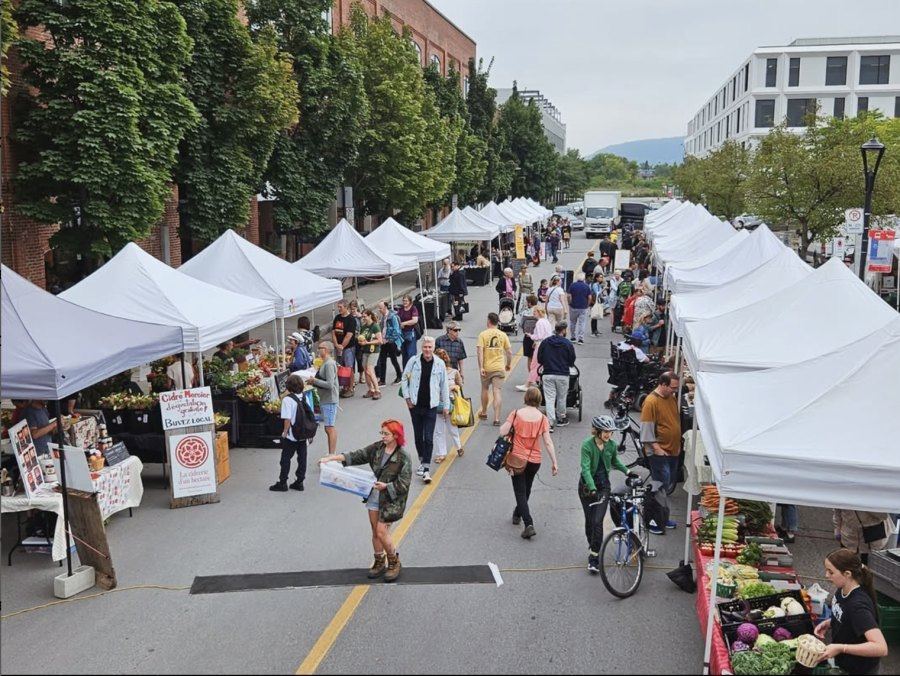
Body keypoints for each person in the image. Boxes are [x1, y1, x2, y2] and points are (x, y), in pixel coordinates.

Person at [318, 420, 412, 583]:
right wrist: (332, 458)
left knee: (382, 531)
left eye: (386, 434)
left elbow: (404, 483)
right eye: (381, 433)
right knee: (375, 531)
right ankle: (379, 561)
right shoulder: (377, 448)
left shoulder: (403, 457)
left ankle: (394, 561)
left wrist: (386, 486)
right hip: (375, 495)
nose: (382, 436)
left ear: (396, 435)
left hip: (391, 499)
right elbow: (357, 455)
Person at [814, 548, 889, 674]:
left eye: (831, 572)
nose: (826, 575)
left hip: (859, 669)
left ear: (847, 574)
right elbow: (846, 616)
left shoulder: (858, 606)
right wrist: (830, 622)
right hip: (844, 663)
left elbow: (881, 647)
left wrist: (841, 648)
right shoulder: (842, 588)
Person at [498, 387, 558, 539]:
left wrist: (510, 425)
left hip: (517, 459)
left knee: (520, 492)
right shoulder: (543, 418)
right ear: (539, 400)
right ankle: (517, 513)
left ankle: (528, 523)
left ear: (525, 398)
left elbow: (503, 432)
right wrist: (554, 462)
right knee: (527, 490)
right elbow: (548, 442)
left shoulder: (516, 413)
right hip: (534, 460)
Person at [580, 416, 636, 573]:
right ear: (597, 431)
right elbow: (585, 469)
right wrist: (591, 488)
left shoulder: (611, 445)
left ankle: (594, 558)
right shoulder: (586, 445)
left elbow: (615, 462)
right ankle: (593, 544)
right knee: (590, 521)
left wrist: (628, 472)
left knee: (598, 521)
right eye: (605, 432)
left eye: (610, 432)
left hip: (604, 487)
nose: (608, 435)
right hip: (586, 487)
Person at [400, 336, 450, 484]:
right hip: (415, 405)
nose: (427, 350)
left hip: (431, 406)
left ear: (433, 348)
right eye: (425, 347)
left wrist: (446, 405)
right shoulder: (413, 361)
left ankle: (426, 468)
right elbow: (404, 379)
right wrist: (407, 398)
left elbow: (444, 386)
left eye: (430, 347)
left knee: (428, 437)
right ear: (422, 348)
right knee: (418, 436)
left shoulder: (439, 364)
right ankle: (422, 460)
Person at [640, 371, 682, 534]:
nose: (675, 391)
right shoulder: (651, 402)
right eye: (672, 387)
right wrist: (657, 448)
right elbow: (647, 430)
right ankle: (653, 521)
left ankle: (663, 518)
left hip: (672, 451)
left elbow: (674, 421)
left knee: (666, 486)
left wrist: (677, 444)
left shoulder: (671, 398)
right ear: (663, 384)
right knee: (659, 488)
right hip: (659, 453)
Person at [269, 375, 311, 492]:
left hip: (292, 435)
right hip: (303, 434)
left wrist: (284, 433)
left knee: (285, 459)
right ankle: (300, 481)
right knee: (302, 458)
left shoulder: (287, 400)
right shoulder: (304, 397)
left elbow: (287, 420)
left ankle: (283, 482)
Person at [537, 321, 576, 431]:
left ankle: (550, 423)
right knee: (561, 397)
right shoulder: (568, 343)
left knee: (549, 398)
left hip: (548, 373)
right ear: (563, 330)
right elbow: (572, 360)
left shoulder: (546, 342)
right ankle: (561, 418)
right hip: (562, 374)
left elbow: (540, 358)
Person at [476, 313, 513, 426]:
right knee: (497, 391)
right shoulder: (503, 335)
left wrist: (481, 367)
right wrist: (508, 364)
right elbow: (509, 352)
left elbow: (480, 352)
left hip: (487, 367)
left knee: (485, 389)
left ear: (488, 321)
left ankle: (484, 412)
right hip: (499, 367)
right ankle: (496, 418)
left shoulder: (483, 334)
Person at [307, 341, 340, 454]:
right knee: (328, 427)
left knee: (329, 428)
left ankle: (332, 454)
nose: (318, 350)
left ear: (325, 350)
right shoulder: (325, 362)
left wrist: (314, 381)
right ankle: (331, 453)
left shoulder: (329, 364)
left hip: (329, 399)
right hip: (325, 399)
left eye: (320, 348)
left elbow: (330, 384)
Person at [433, 347, 464, 462]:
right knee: (439, 429)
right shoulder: (432, 373)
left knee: (452, 427)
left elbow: (460, 384)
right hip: (436, 403)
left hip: (450, 402)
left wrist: (453, 387)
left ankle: (458, 446)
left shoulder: (454, 372)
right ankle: (442, 453)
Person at [332, 301, 358, 397]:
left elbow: (349, 336)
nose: (339, 309)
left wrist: (341, 346)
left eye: (341, 307)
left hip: (348, 348)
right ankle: (344, 387)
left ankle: (351, 388)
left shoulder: (351, 320)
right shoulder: (337, 318)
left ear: (346, 307)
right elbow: (333, 332)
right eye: (338, 307)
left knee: (349, 368)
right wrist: (336, 344)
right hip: (338, 347)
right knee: (340, 367)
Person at [524, 307, 554, 390]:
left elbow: (539, 336)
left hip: (540, 345)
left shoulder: (539, 322)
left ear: (539, 312)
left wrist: (530, 335)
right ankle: (538, 381)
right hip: (546, 345)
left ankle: (528, 384)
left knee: (534, 364)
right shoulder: (546, 321)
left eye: (535, 312)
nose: (533, 313)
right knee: (540, 365)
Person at [375, 301, 403, 386]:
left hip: (391, 342)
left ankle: (399, 376)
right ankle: (382, 380)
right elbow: (383, 328)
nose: (379, 309)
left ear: (386, 307)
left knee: (393, 359)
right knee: (382, 360)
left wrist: (389, 340)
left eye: (381, 308)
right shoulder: (383, 317)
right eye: (379, 308)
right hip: (383, 341)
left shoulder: (392, 317)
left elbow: (396, 330)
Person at [357, 310, 383, 400]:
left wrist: (367, 343)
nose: (363, 318)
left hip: (374, 351)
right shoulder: (363, 327)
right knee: (366, 371)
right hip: (365, 351)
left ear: (370, 316)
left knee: (370, 370)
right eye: (362, 317)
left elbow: (380, 340)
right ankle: (370, 389)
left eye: (365, 316)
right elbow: (362, 338)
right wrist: (361, 342)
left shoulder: (375, 326)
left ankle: (377, 390)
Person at [567, 272, 593, 344]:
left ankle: (573, 337)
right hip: (583, 307)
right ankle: (580, 339)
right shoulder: (586, 286)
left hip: (573, 306)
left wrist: (569, 302)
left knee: (572, 322)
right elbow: (590, 297)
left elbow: (569, 296)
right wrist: (587, 304)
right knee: (582, 323)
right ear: (583, 278)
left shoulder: (572, 285)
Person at [397, 295, 420, 367]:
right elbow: (397, 319)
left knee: (411, 353)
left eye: (406, 301)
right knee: (404, 354)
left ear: (410, 301)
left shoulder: (413, 309)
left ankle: (412, 370)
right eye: (403, 300)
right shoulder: (401, 309)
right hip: (402, 334)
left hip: (411, 333)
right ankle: (405, 371)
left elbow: (415, 320)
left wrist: (404, 323)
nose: (404, 302)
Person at [590, 273, 608, 337]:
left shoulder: (598, 285)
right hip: (594, 302)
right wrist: (604, 289)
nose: (601, 278)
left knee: (596, 316)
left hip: (597, 301)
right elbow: (597, 293)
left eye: (602, 277)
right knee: (594, 316)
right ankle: (593, 331)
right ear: (596, 278)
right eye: (600, 277)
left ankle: (596, 330)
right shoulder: (595, 284)